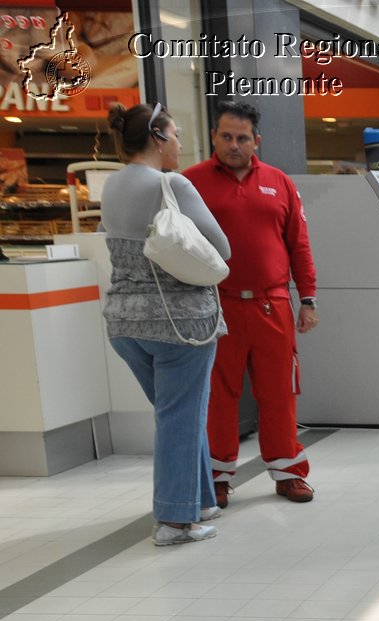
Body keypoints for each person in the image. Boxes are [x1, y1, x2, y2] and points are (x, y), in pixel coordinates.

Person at [100, 102, 230, 546]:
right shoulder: (171, 183)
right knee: (180, 415)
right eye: (174, 134)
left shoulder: (110, 184)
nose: (179, 143)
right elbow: (222, 247)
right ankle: (175, 522)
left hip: (125, 323)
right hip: (179, 323)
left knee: (178, 413)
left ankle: (199, 500)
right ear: (157, 138)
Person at [184, 100, 319, 506]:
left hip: (271, 304)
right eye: (226, 136)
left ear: (256, 141)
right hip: (215, 305)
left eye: (242, 138)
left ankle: (288, 472)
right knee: (219, 396)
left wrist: (307, 298)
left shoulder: (279, 183)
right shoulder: (190, 183)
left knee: (279, 392)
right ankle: (218, 476)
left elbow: (299, 244)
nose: (234, 145)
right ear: (213, 137)